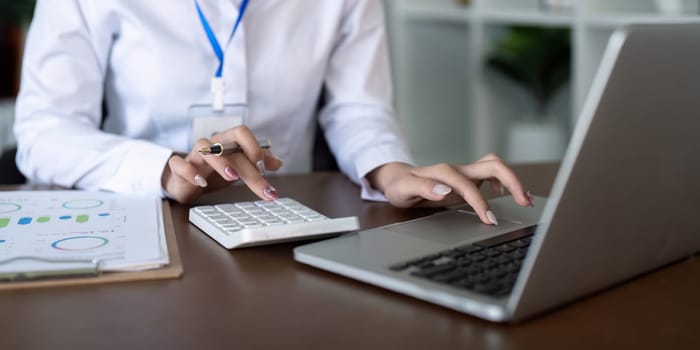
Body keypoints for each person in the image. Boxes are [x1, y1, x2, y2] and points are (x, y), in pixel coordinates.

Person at [14, 0, 532, 225]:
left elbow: (357, 107)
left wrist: (390, 170)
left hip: (291, 224)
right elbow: (43, 130)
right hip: (149, 223)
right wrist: (163, 170)